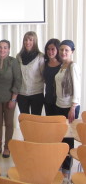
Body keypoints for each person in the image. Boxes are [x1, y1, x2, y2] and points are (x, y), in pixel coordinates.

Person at [0, 40, 22, 158]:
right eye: (0, 47)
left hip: (9, 98)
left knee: (8, 124)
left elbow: (18, 80)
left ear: (9, 49)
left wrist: (13, 99)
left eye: (5, 47)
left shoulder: (13, 62)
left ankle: (7, 147)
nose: (2, 50)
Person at [54, 40, 80, 177]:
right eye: (61, 49)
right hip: (59, 105)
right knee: (61, 138)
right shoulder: (62, 65)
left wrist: (73, 108)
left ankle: (66, 171)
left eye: (66, 50)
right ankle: (61, 164)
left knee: (68, 140)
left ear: (72, 52)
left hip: (69, 107)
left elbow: (77, 89)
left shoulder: (73, 66)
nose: (63, 52)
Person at [16, 31, 45, 115]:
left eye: (30, 40)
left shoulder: (40, 56)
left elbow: (43, 75)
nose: (27, 42)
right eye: (25, 40)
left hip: (36, 93)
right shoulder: (19, 56)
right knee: (25, 121)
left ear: (35, 41)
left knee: (35, 121)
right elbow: (17, 76)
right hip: (22, 94)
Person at [43, 39, 61, 116]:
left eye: (53, 49)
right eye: (48, 49)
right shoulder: (44, 63)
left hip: (60, 100)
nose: (50, 51)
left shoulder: (63, 65)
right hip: (48, 99)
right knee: (50, 124)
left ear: (58, 49)